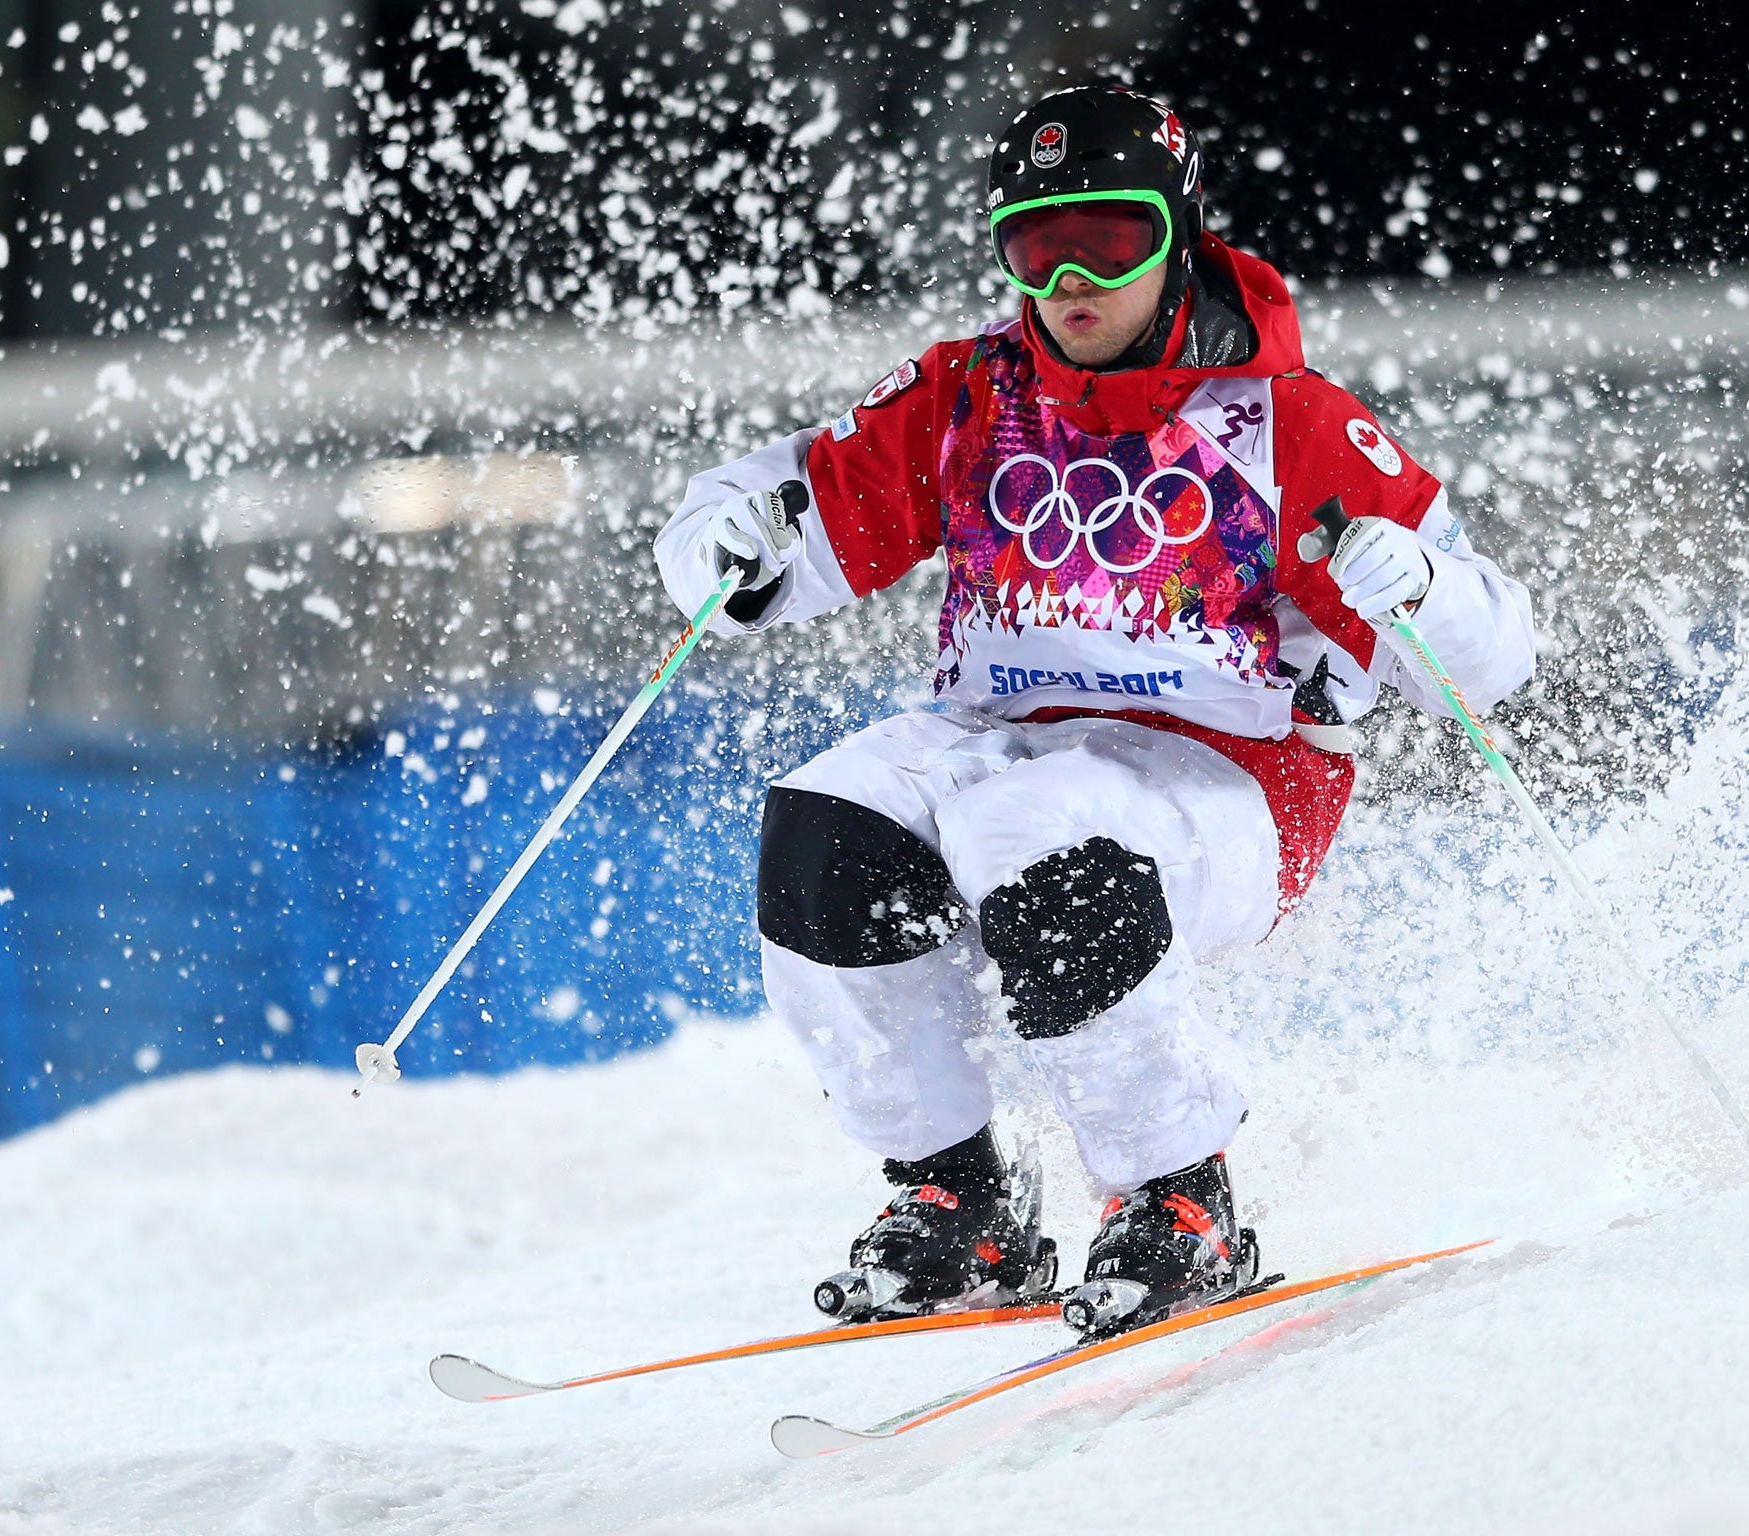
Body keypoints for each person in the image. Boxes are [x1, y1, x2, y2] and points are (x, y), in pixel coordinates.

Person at [655, 84, 1536, 1337]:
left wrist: (1424, 585)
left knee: (1036, 828)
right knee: (824, 822)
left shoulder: (1290, 423)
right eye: (1034, 242)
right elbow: (780, 518)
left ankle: (1179, 1197)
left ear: (1175, 233)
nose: (1070, 278)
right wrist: (717, 548)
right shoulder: (970, 396)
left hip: (1229, 774)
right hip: (1002, 727)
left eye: (1110, 240)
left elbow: (1495, 651)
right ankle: (955, 1199)